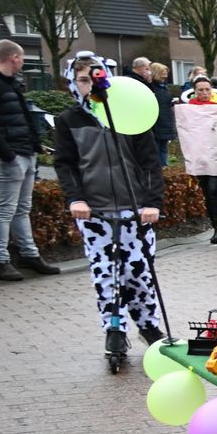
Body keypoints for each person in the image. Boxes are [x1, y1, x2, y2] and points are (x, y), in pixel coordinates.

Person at [54, 59, 166, 357]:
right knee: (106, 274)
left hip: (135, 211)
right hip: (96, 213)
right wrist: (76, 199)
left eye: (94, 79)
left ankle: (148, 325)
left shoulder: (128, 114)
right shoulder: (69, 121)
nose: (89, 86)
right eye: (82, 80)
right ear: (73, 84)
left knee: (139, 273)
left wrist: (151, 203)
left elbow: (150, 163)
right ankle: (114, 328)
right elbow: (65, 165)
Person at [0, 40, 59, 280]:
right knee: (5, 208)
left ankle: (29, 254)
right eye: (22, 57)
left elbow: (23, 119)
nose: (23, 61)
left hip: (23, 152)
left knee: (21, 208)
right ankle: (0, 260)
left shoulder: (11, 84)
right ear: (14, 58)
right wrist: (8, 155)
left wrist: (35, 146)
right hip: (10, 156)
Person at [180, 75, 217, 243]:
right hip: (200, 156)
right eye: (200, 90)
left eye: (207, 89)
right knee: (208, 193)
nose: (205, 93)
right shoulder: (189, 108)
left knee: (214, 190)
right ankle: (216, 226)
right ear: (194, 92)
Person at [148, 62, 177, 169]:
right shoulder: (152, 88)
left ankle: (164, 165)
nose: (165, 76)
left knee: (163, 146)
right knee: (156, 146)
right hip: (157, 121)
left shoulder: (164, 88)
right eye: (162, 73)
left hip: (166, 120)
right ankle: (158, 166)